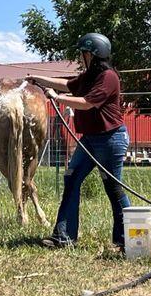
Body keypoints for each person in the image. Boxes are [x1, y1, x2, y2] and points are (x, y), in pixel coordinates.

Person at [27, 33, 131, 250]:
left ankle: (125, 241)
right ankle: (64, 237)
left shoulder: (108, 77)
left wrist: (56, 97)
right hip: (90, 140)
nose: (80, 57)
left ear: (92, 54)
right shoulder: (89, 76)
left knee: (113, 188)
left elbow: (86, 103)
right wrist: (38, 79)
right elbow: (66, 84)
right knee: (71, 179)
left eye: (83, 53)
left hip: (110, 139)